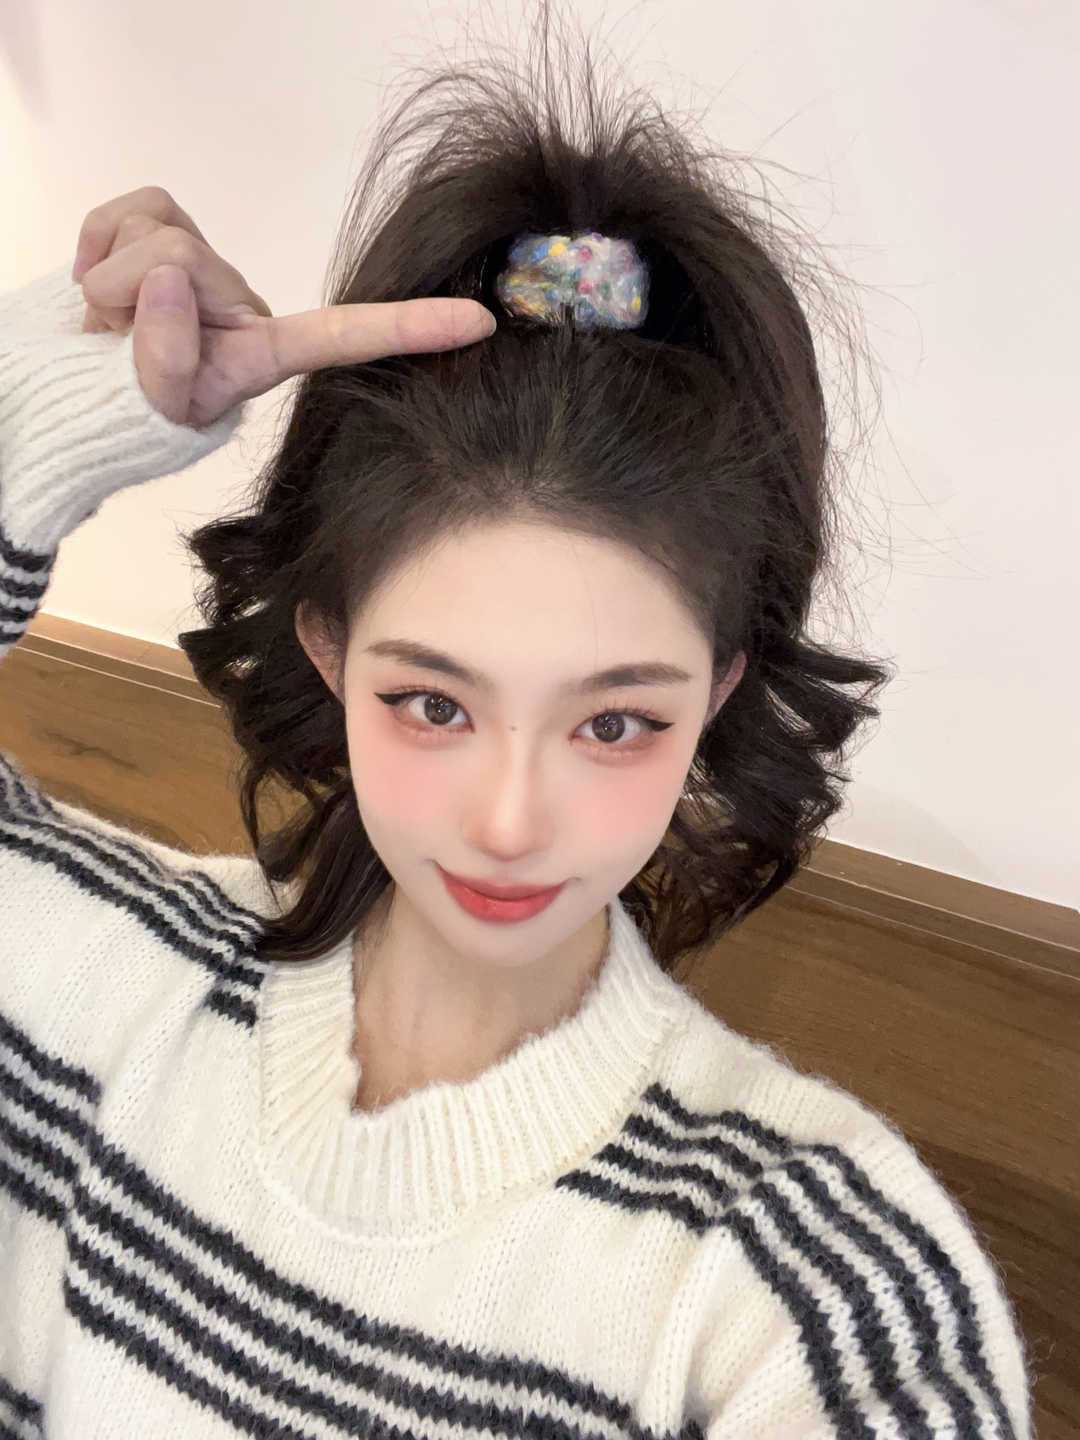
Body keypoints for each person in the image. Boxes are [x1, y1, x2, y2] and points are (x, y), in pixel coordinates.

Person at [0, 12, 1032, 1438]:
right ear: (329, 651)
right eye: (433, 703)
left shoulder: (802, 1286)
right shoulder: (82, 971)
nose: (507, 822)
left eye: (614, 724)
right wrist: (39, 415)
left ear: (717, 695)